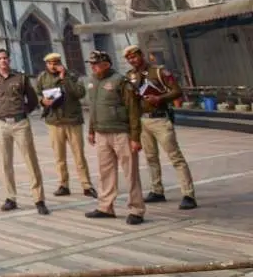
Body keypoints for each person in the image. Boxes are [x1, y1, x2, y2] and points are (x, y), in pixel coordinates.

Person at [123, 44, 197, 209]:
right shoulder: (130, 76)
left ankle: (188, 194)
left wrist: (160, 98)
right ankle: (157, 190)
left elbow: (177, 91)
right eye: (128, 58)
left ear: (141, 55)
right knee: (151, 158)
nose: (132, 60)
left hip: (160, 119)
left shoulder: (158, 71)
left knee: (175, 157)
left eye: (134, 56)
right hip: (142, 120)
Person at [0, 48, 48, 215]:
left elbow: (32, 100)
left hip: (20, 123)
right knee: (5, 162)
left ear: (9, 60)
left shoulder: (20, 78)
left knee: (31, 160)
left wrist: (22, 112)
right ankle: (10, 197)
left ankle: (39, 199)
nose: (3, 61)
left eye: (5, 58)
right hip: (1, 123)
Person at [84, 50, 146, 224]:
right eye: (91, 64)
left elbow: (133, 110)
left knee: (130, 172)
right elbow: (93, 108)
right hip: (101, 133)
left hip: (121, 132)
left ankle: (136, 209)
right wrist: (91, 130)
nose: (93, 67)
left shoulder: (120, 81)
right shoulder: (92, 82)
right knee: (105, 172)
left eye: (96, 64)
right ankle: (105, 206)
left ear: (107, 64)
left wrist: (135, 137)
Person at [34, 52, 96, 198]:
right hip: (54, 121)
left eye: (55, 63)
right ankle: (63, 184)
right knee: (59, 156)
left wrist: (64, 79)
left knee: (79, 155)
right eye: (50, 63)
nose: (53, 66)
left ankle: (86, 185)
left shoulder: (72, 75)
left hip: (72, 120)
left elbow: (79, 93)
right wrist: (43, 101)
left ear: (60, 63)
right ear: (46, 64)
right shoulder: (42, 77)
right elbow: (37, 94)